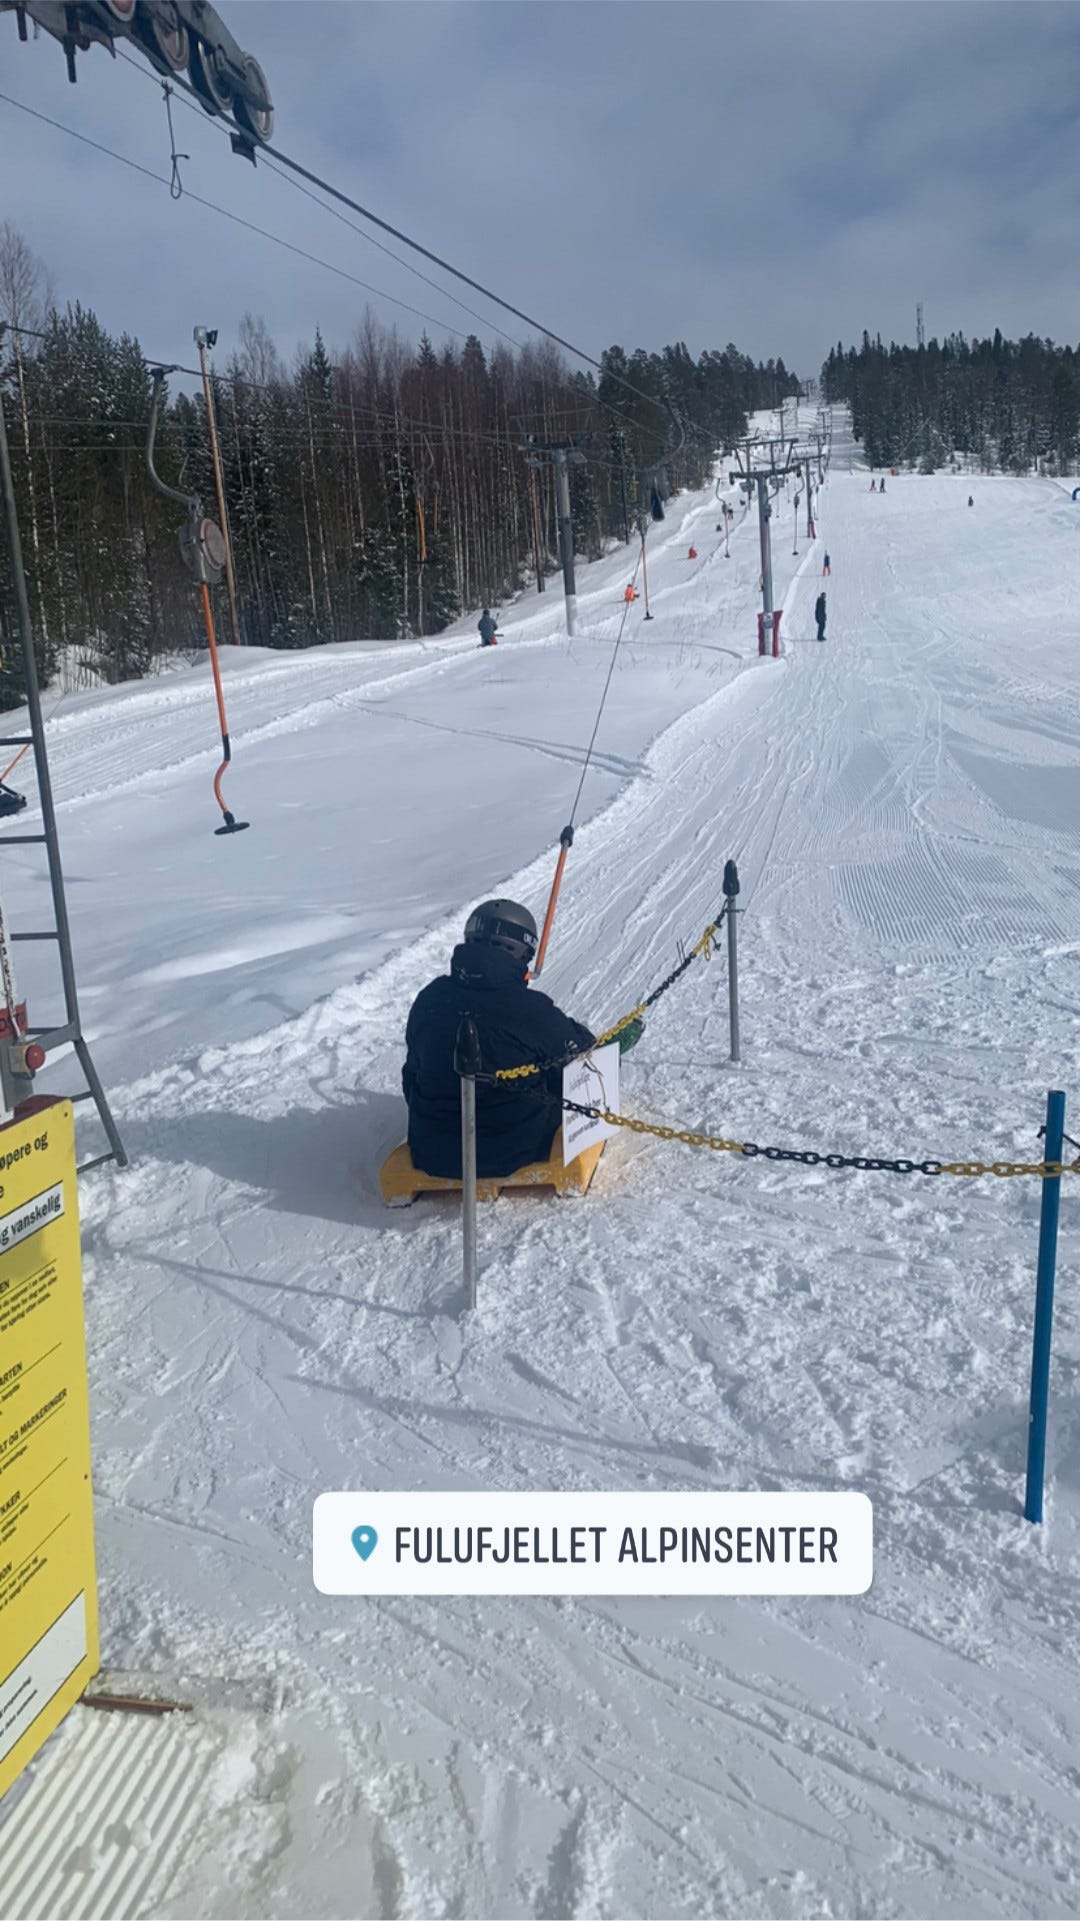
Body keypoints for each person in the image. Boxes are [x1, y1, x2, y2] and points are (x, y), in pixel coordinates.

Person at [403, 900, 641, 1179]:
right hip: (510, 1152)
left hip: (432, 1151)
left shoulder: (429, 997)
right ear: (521, 952)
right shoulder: (530, 1009)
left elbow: (411, 1073)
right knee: (557, 1073)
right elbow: (580, 1055)